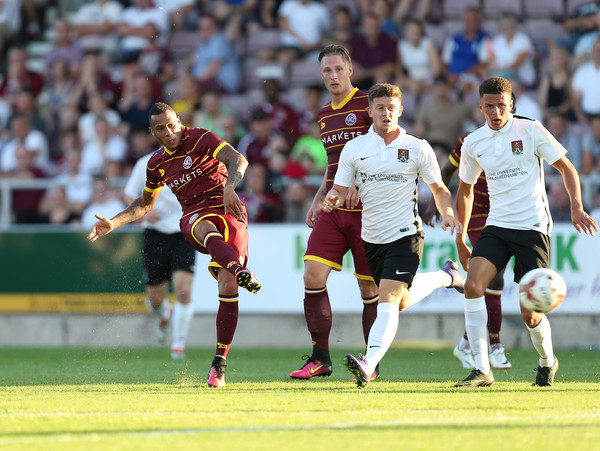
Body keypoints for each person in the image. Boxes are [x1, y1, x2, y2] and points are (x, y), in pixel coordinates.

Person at [87, 102, 262, 389]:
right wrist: (115, 222)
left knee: (227, 288)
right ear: (152, 132)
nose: (169, 132)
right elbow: (145, 203)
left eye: (172, 124)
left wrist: (230, 187)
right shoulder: (155, 164)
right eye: (161, 129)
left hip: (228, 209)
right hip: (193, 216)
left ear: (179, 121)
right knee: (203, 228)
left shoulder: (201, 138)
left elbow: (237, 159)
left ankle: (219, 364)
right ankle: (238, 268)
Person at [453, 76, 598, 388]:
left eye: (501, 106)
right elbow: (464, 190)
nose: (495, 112)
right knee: (473, 286)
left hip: (532, 227)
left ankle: (547, 361)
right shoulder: (473, 142)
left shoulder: (529, 129)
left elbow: (567, 168)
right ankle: (482, 369)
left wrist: (575, 207)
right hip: (496, 225)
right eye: (489, 106)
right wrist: (460, 235)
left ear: (511, 105)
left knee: (529, 314)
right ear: (480, 106)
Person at [320, 83, 465, 387]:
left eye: (391, 108)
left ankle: (368, 363)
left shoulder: (417, 147)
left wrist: (448, 212)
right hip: (371, 238)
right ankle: (446, 277)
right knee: (400, 301)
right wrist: (331, 199)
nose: (386, 113)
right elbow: (339, 189)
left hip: (406, 234)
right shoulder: (355, 148)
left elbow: (438, 188)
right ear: (369, 111)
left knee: (386, 296)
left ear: (400, 110)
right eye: (380, 108)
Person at [288, 44, 380, 380]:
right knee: (312, 276)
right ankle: (320, 358)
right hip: (333, 205)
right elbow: (334, 163)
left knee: (370, 290)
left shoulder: (369, 103)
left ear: (350, 69)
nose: (333, 76)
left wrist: (361, 181)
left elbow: (382, 146)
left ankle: (372, 363)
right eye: (327, 71)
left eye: (338, 69)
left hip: (367, 209)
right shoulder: (325, 112)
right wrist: (318, 196)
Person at [422, 132, 512, 371]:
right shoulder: (467, 141)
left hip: (505, 213)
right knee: (495, 275)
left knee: (484, 281)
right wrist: (435, 203)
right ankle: (495, 345)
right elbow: (448, 171)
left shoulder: (520, 138)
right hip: (476, 214)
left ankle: (464, 343)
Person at [124, 151, 195, 359]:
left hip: (185, 231)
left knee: (183, 288)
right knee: (155, 300)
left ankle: (178, 344)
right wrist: (144, 211)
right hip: (155, 234)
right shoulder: (145, 163)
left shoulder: (191, 160)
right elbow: (129, 193)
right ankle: (163, 314)